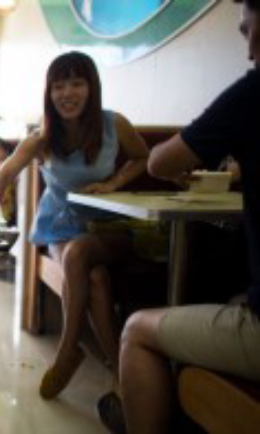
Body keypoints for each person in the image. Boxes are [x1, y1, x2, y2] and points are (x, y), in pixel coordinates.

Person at [107, 1, 260, 432]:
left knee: (137, 328)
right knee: (232, 292)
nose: (248, 51)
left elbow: (158, 162)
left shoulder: (251, 94)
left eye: (247, 30)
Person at [0, 51, 149, 399]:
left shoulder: (115, 124)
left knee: (80, 254)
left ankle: (68, 352)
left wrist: (114, 184)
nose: (67, 93)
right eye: (59, 85)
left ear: (92, 87)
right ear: (49, 93)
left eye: (77, 83)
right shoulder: (41, 138)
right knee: (93, 278)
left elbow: (143, 157)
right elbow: (4, 173)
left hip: (106, 227)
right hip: (59, 225)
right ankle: (120, 372)